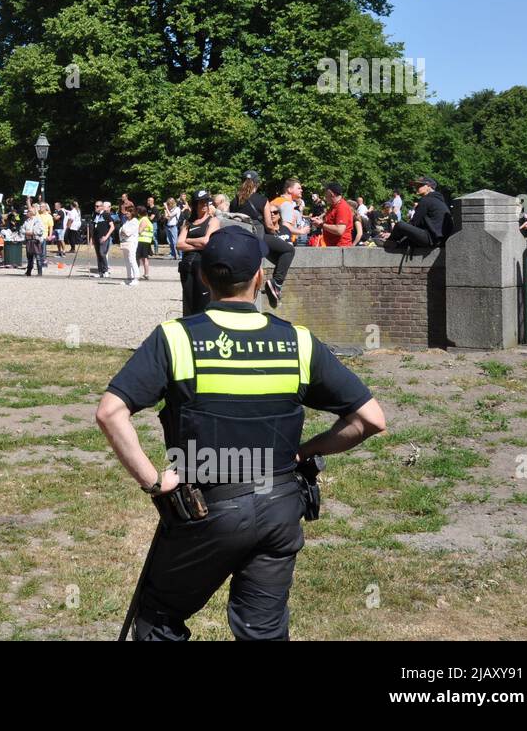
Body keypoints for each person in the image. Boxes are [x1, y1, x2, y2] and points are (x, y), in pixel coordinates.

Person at [95, 229, 386, 641]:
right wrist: (307, 451)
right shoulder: (298, 342)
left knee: (160, 615)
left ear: (203, 279)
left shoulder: (175, 338)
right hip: (281, 506)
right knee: (262, 630)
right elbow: (371, 420)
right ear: (260, 278)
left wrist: (155, 483)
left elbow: (111, 412)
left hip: (205, 508)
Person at [232, 171, 296, 308]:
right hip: (257, 238)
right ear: (257, 184)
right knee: (288, 251)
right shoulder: (262, 200)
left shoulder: (234, 201)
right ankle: (276, 283)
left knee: (277, 256)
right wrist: (275, 231)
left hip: (240, 239)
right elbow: (268, 224)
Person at [177, 190, 219, 316]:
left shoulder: (213, 221)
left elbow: (206, 242)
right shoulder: (188, 223)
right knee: (189, 301)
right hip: (187, 266)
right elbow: (179, 244)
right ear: (195, 205)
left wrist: (188, 240)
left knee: (203, 301)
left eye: (206, 202)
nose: (204, 205)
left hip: (202, 266)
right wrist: (197, 244)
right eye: (201, 202)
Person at [385, 176, 451, 251]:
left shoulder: (426, 200)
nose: (416, 187)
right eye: (416, 186)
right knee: (403, 242)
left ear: (428, 186)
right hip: (440, 240)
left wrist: (392, 235)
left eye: (420, 185)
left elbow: (414, 223)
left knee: (400, 225)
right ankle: (394, 243)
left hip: (431, 239)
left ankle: (388, 241)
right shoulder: (439, 200)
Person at [311, 183, 354, 247]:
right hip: (333, 247)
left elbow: (340, 230)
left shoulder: (342, 207)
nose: (325, 197)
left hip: (340, 248)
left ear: (331, 194)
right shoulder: (333, 206)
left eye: (326, 194)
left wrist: (321, 224)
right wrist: (319, 220)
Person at [118, 202, 141, 286]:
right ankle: (129, 277)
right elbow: (121, 232)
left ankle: (136, 277)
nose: (126, 213)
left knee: (132, 259)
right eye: (126, 211)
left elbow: (127, 232)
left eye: (128, 212)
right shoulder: (127, 221)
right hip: (125, 242)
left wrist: (123, 231)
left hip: (131, 242)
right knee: (127, 260)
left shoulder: (135, 221)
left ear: (132, 213)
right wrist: (123, 231)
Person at [92, 200, 116, 277]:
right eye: (95, 206)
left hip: (103, 237)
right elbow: (93, 227)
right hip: (96, 237)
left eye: (97, 206)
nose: (95, 207)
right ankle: (100, 272)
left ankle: (105, 270)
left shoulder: (106, 215)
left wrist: (106, 236)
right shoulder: (95, 215)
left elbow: (112, 227)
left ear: (102, 207)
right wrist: (91, 239)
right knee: (98, 254)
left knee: (102, 253)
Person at [23, 199, 46, 277]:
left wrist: (31, 232)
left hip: (35, 240)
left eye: (28, 212)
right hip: (29, 240)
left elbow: (40, 231)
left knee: (38, 257)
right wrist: (26, 232)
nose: (27, 213)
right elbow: (22, 229)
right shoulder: (27, 221)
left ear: (32, 213)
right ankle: (28, 271)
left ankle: (40, 273)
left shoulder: (37, 220)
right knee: (29, 257)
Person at [136, 205, 154, 281]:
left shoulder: (143, 220)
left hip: (142, 241)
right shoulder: (145, 219)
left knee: (138, 258)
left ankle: (137, 273)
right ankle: (145, 274)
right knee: (144, 258)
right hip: (145, 241)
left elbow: (139, 231)